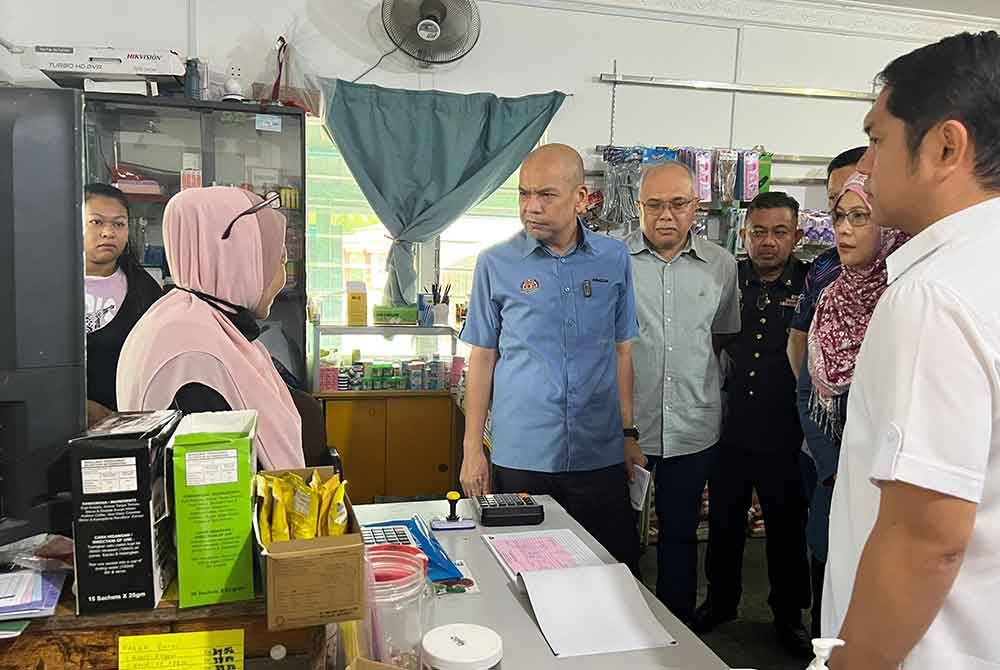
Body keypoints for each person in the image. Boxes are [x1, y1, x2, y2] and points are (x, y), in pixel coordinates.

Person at [825, 32, 1000, 670]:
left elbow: (927, 537)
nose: (865, 167)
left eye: (876, 139)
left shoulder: (934, 293)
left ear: (944, 147)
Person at [459, 144, 644, 572]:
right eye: (524, 195)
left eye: (546, 195)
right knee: (524, 570)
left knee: (609, 571)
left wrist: (628, 433)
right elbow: (482, 359)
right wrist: (472, 450)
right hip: (523, 454)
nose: (531, 208)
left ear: (581, 198)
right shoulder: (495, 264)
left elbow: (623, 350)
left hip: (598, 451)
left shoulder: (613, 259)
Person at [696, 192, 812, 656]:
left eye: (779, 232)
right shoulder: (728, 279)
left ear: (797, 236)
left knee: (787, 531)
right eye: (758, 232)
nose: (768, 242)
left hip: (787, 431)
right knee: (724, 525)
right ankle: (721, 602)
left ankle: (789, 617)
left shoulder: (811, 283)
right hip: (732, 427)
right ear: (744, 235)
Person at [117, 186, 305, 470]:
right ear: (237, 258)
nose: (280, 278)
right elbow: (216, 490)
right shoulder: (194, 353)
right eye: (273, 260)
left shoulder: (181, 319)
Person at [626, 160, 741, 622]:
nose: (665, 216)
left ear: (696, 206)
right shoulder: (613, 261)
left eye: (677, 204)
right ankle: (624, 623)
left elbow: (720, 336)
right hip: (628, 427)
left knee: (680, 530)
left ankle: (677, 626)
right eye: (653, 205)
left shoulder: (721, 264)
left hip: (693, 426)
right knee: (620, 531)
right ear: (638, 208)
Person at [786, 147, 866, 637]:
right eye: (837, 210)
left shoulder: (904, 281)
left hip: (880, 465)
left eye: (858, 210)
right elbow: (801, 359)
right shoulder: (826, 275)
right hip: (826, 455)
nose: (844, 224)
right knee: (827, 557)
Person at [83, 183, 163, 427]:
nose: (108, 232)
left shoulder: (145, 291)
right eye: (96, 222)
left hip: (125, 429)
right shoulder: (43, 288)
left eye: (118, 224)